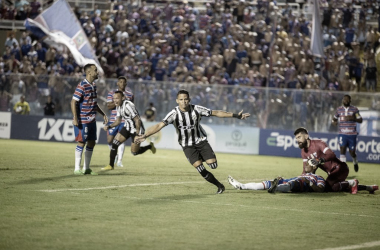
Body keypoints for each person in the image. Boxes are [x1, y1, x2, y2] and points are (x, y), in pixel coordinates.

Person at [135, 89, 250, 194]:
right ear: (177, 101)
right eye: (181, 99)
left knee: (213, 165)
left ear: (189, 100)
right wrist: (145, 135)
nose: (184, 102)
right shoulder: (174, 114)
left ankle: (200, 157)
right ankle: (219, 186)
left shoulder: (197, 109)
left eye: (185, 99)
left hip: (201, 141)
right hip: (187, 145)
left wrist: (236, 116)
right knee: (200, 169)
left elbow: (216, 112)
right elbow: (159, 125)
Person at [294, 127, 377, 194]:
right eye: (296, 138)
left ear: (306, 136)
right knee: (336, 187)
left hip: (340, 168)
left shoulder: (319, 143)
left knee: (326, 188)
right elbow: (305, 170)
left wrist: (319, 160)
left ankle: (352, 183)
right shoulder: (303, 152)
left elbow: (332, 155)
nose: (297, 140)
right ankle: (368, 187)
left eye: (299, 137)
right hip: (332, 173)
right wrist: (299, 179)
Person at [101, 91, 156, 170]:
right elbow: (118, 121)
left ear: (123, 98)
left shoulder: (128, 105)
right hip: (127, 127)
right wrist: (109, 126)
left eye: (117, 98)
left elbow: (137, 120)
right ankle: (111, 165)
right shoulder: (118, 106)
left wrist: (137, 134)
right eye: (114, 98)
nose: (115, 100)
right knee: (115, 143)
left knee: (134, 152)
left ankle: (149, 146)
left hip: (137, 129)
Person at [70, 64, 108, 175]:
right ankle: (77, 168)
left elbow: (94, 103)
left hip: (92, 120)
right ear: (89, 72)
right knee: (81, 142)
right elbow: (73, 101)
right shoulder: (82, 85)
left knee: (91, 143)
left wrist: (103, 114)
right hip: (83, 120)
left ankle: (86, 168)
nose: (98, 72)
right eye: (96, 70)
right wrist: (75, 118)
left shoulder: (93, 85)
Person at [105, 76, 134, 167]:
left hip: (124, 120)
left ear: (126, 83)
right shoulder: (111, 93)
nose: (122, 83)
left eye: (123, 82)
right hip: (113, 119)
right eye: (120, 82)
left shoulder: (130, 94)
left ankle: (120, 161)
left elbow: (132, 106)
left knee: (120, 140)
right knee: (110, 140)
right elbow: (109, 106)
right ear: (117, 83)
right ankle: (116, 155)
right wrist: (119, 100)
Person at [332, 95, 363, 172]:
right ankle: (343, 170)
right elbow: (334, 119)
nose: (345, 100)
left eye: (347, 99)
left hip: (352, 134)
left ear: (350, 100)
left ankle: (355, 161)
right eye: (344, 99)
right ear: (342, 100)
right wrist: (334, 122)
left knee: (352, 152)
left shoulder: (354, 109)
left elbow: (360, 120)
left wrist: (353, 118)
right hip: (342, 134)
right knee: (342, 149)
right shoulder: (339, 109)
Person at [228, 171, 326, 193]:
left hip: (304, 185)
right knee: (269, 182)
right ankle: (241, 186)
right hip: (291, 180)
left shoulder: (319, 177)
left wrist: (310, 183)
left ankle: (276, 188)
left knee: (295, 183)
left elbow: (321, 190)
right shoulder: (303, 174)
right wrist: (282, 178)